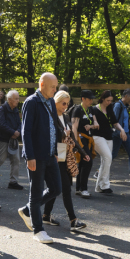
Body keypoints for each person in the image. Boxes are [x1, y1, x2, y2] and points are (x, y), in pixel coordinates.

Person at [14, 73, 62, 244]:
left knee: (56, 188)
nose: (55, 90)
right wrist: (29, 156)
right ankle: (38, 230)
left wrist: (55, 150)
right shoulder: (31, 102)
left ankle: (27, 210)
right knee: (35, 194)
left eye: (56, 86)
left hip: (50, 154)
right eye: (53, 87)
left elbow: (54, 127)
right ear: (42, 85)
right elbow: (25, 131)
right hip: (36, 156)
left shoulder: (50, 101)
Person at [41, 90, 87, 232]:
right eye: (63, 103)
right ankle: (73, 220)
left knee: (56, 188)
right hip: (55, 155)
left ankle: (45, 215)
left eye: (67, 104)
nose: (66, 106)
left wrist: (83, 152)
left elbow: (72, 136)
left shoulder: (66, 116)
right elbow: (49, 135)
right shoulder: (50, 116)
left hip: (66, 155)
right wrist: (62, 133)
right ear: (55, 102)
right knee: (65, 187)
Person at [90, 90, 127, 195]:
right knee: (108, 157)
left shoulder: (110, 108)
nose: (109, 102)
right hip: (97, 136)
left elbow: (115, 122)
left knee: (106, 161)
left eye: (111, 100)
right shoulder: (94, 109)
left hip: (108, 137)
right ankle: (105, 185)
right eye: (107, 100)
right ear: (102, 99)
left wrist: (122, 130)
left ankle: (99, 187)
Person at [0, 90, 24, 190]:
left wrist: (18, 132)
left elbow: (19, 123)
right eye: (16, 99)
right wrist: (13, 132)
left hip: (13, 139)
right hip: (4, 139)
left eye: (18, 98)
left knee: (16, 159)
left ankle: (13, 182)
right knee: (1, 159)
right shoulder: (2, 109)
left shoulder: (15, 109)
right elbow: (1, 124)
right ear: (9, 99)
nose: (18, 100)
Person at [68, 90, 98, 199]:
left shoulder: (91, 109)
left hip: (88, 138)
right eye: (89, 99)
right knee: (87, 161)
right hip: (80, 138)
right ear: (83, 99)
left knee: (83, 163)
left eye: (92, 99)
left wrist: (91, 126)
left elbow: (96, 124)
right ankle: (83, 189)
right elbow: (74, 127)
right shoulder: (78, 110)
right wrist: (75, 144)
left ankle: (78, 188)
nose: (91, 101)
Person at [114, 89, 130, 182]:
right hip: (119, 134)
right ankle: (99, 171)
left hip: (126, 133)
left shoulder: (125, 107)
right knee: (113, 154)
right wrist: (119, 131)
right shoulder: (118, 106)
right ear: (126, 96)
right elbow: (114, 120)